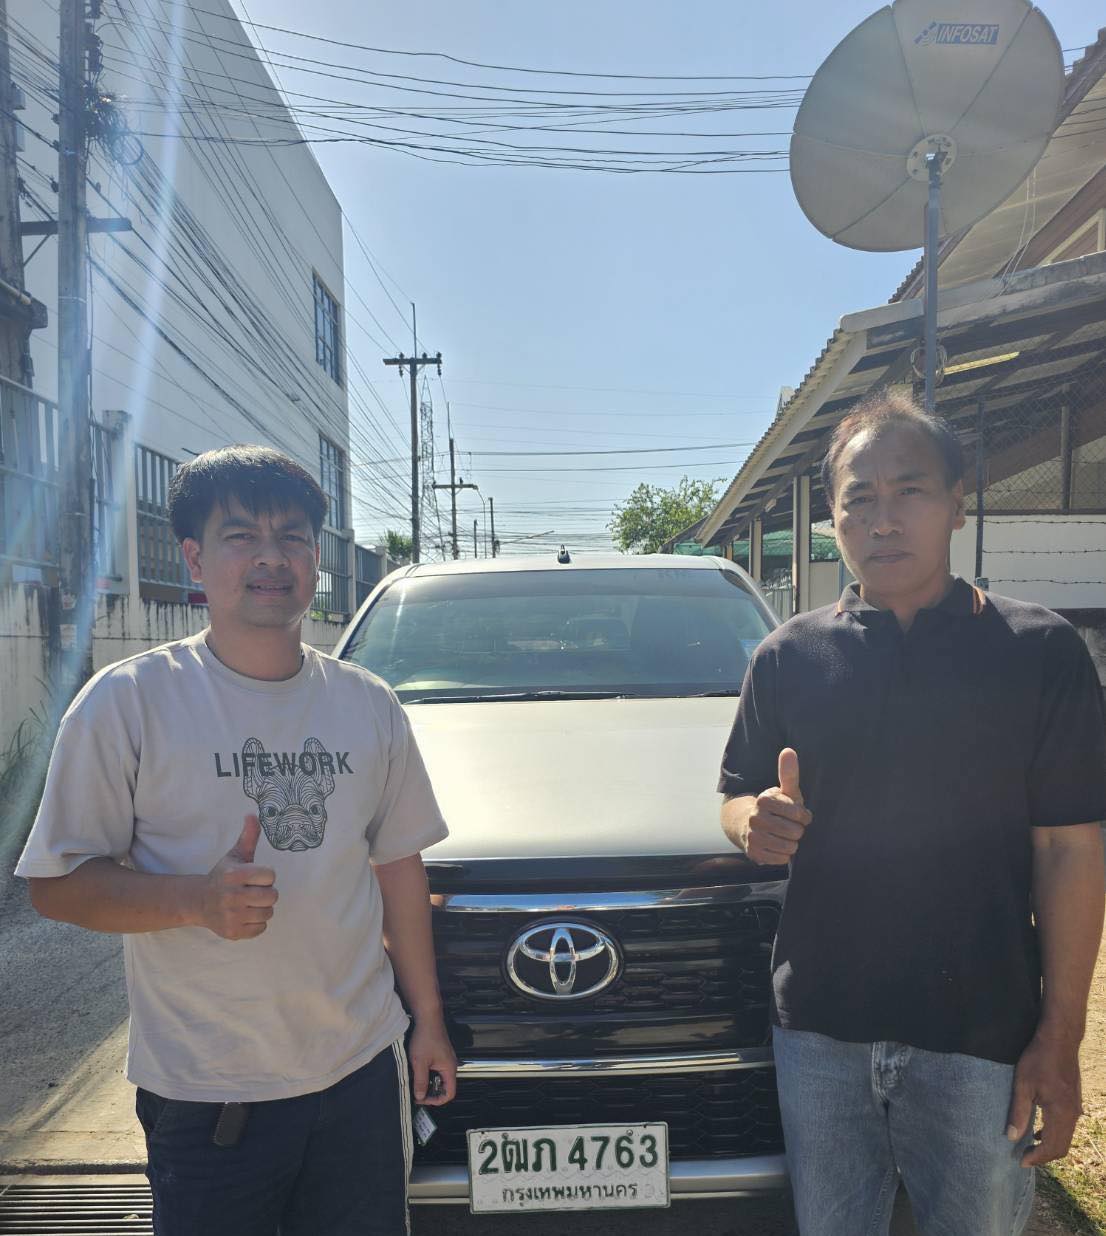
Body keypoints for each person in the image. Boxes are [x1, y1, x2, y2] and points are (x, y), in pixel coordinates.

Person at [16, 445, 456, 1236]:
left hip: (360, 1075)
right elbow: (57, 883)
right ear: (193, 557)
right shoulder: (129, 702)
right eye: (241, 535)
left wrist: (427, 1019)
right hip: (207, 1093)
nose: (271, 557)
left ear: (316, 559)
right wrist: (195, 900)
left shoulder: (368, 704)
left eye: (292, 537)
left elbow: (398, 868)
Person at [719, 392, 1106, 1236]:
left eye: (910, 491)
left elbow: (1071, 851)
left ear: (958, 503)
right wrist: (752, 820)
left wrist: (1060, 1034)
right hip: (820, 1029)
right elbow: (737, 790)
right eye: (859, 498)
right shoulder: (788, 657)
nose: (883, 520)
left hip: (981, 1035)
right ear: (833, 518)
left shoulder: (1039, 653)